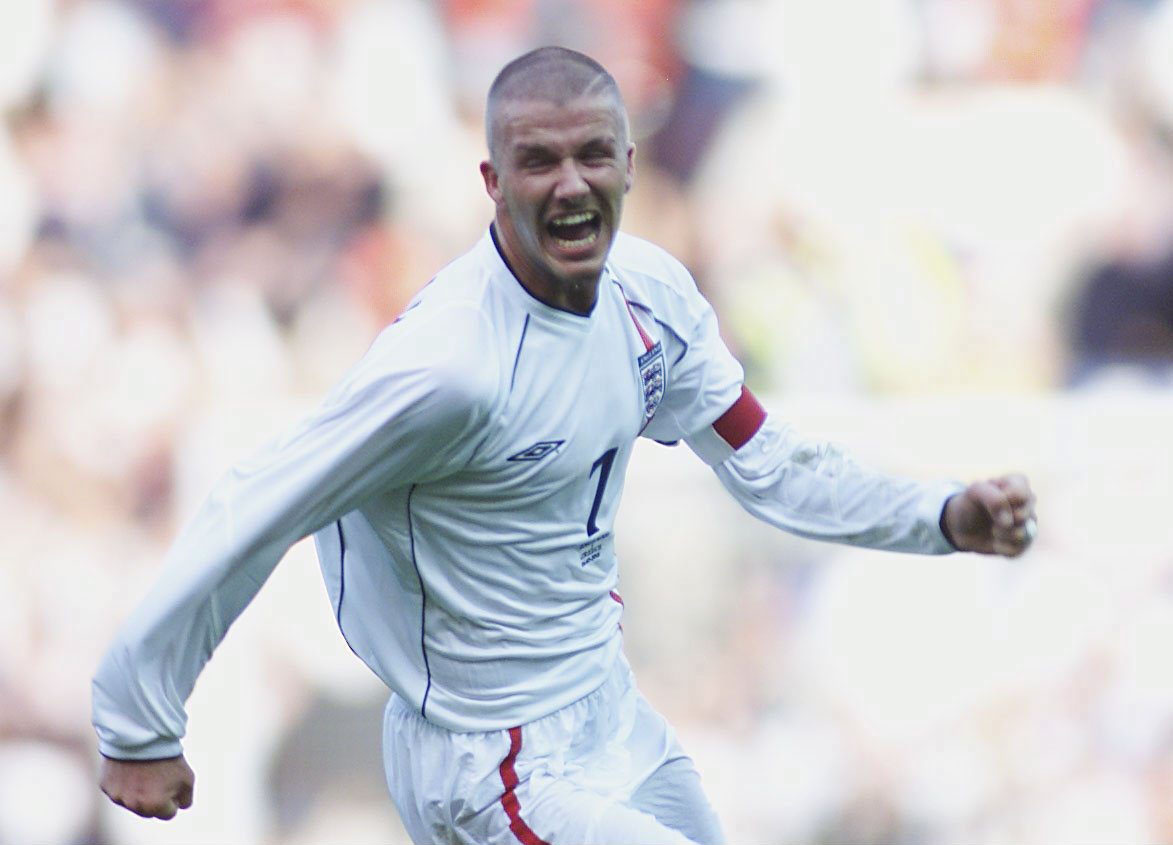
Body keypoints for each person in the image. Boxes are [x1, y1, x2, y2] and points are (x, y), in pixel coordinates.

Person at [93, 47, 1038, 845]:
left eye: (593, 155)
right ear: (492, 183)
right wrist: (141, 721)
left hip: (607, 709)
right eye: (538, 162)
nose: (571, 183)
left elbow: (768, 463)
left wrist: (940, 514)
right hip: (484, 752)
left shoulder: (651, 299)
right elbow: (257, 499)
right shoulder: (451, 366)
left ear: (629, 163)